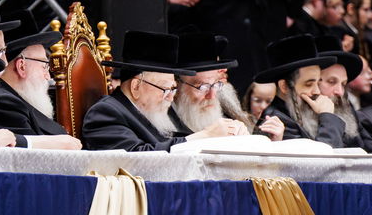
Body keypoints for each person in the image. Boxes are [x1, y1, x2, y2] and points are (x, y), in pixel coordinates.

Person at [81, 31, 247, 150]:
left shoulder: (147, 111)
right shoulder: (105, 113)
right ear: (136, 86)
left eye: (173, 89)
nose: (170, 98)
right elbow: (135, 159)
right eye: (166, 89)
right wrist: (204, 135)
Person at [0, 6, 82, 148]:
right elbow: (26, 159)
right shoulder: (4, 102)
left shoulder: (18, 100)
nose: (48, 75)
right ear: (21, 67)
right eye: (45, 65)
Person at [253, 35, 352, 146]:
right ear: (284, 86)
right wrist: (328, 116)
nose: (317, 91)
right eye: (309, 84)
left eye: (318, 82)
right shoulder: (276, 122)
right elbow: (323, 159)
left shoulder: (300, 112)